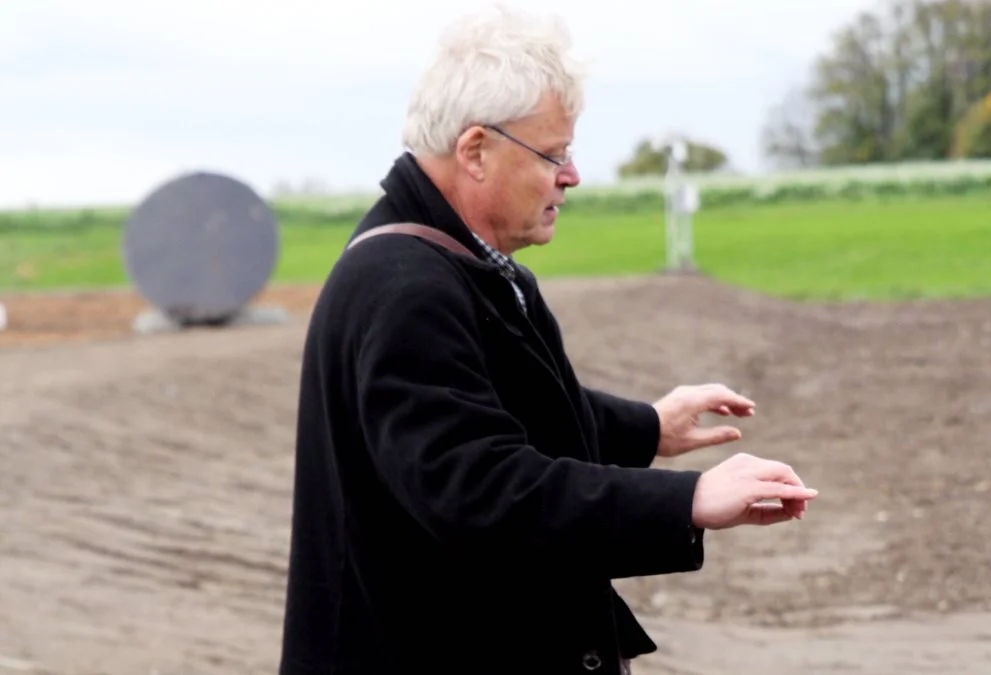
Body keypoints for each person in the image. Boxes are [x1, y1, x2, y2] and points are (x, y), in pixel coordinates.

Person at [278, 5, 818, 674]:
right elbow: (478, 489)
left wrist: (649, 428)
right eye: (553, 154)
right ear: (475, 150)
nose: (572, 175)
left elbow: (505, 404)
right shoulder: (406, 288)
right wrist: (688, 499)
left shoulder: (458, 265)